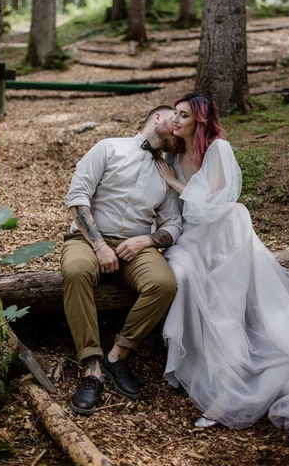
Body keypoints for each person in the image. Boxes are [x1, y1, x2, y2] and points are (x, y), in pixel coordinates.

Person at [156, 92, 289, 456]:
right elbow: (179, 213)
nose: (175, 120)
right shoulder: (173, 154)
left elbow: (217, 203)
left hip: (225, 234)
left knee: (226, 308)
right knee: (182, 276)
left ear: (200, 121)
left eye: (183, 115)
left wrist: (176, 184)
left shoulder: (218, 149)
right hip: (193, 239)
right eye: (174, 114)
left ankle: (228, 395)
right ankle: (194, 363)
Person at [61, 105, 182, 415]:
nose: (179, 127)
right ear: (157, 117)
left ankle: (118, 356)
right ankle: (92, 366)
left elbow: (173, 223)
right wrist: (100, 246)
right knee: (75, 271)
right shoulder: (108, 147)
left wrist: (148, 239)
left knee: (164, 283)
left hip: (136, 246)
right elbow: (78, 197)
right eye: (175, 120)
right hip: (88, 240)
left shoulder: (166, 171)